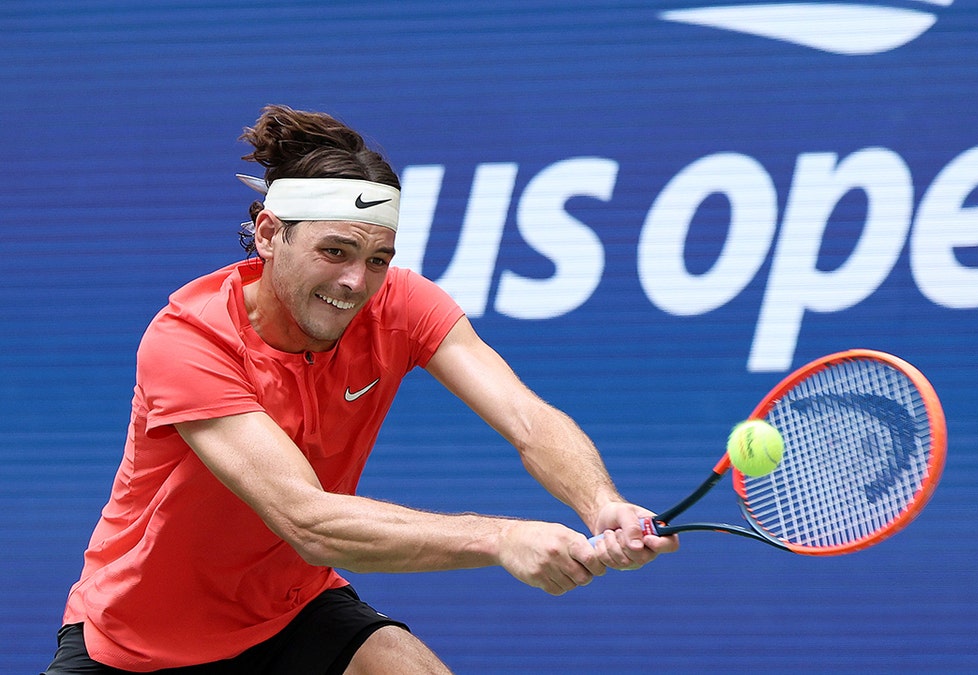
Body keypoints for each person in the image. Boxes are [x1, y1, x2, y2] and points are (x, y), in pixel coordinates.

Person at [44, 104, 677, 674]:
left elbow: (527, 419)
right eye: (335, 251)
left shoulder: (402, 305)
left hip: (292, 614)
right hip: (139, 644)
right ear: (268, 234)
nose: (356, 281)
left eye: (378, 258)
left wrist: (601, 504)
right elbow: (308, 520)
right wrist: (501, 537)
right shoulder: (190, 340)